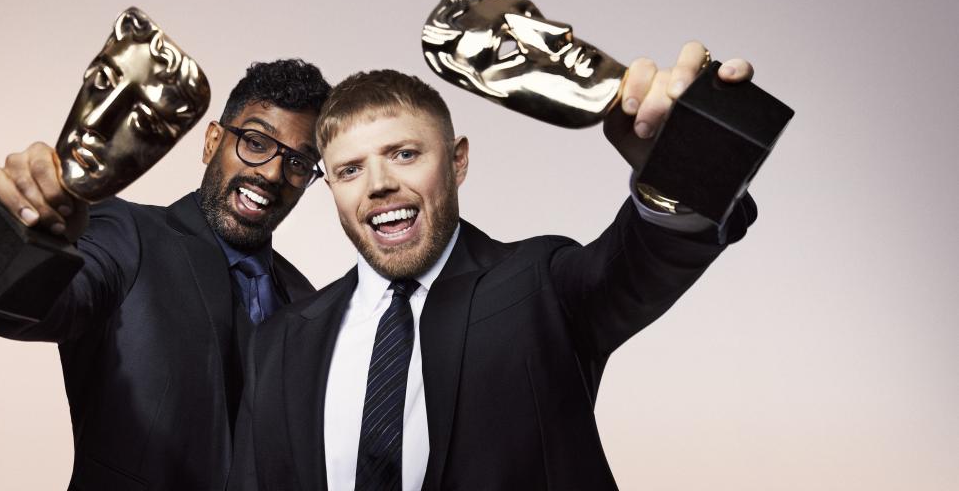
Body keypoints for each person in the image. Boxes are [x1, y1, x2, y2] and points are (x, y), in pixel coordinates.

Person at [230, 44, 759, 490]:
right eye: (349, 170)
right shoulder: (279, 344)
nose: (378, 185)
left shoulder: (541, 284)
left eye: (405, 154)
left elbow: (645, 257)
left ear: (457, 161)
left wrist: (691, 154)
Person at [0, 58, 331, 490]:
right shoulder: (126, 234)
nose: (272, 173)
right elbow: (19, 305)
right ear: (212, 142)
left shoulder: (310, 303)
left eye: (299, 163)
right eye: (256, 142)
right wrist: (10, 229)